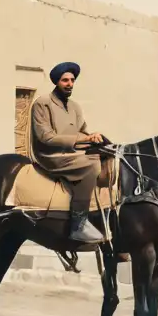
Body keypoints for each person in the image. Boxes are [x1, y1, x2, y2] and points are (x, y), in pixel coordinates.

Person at [28, 61, 105, 244]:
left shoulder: (75, 107)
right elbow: (45, 137)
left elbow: (82, 130)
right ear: (57, 82)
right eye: (65, 80)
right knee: (91, 165)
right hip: (50, 155)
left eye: (72, 80)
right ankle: (78, 224)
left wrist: (92, 136)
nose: (69, 84)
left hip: (72, 151)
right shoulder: (42, 103)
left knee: (107, 157)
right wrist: (82, 139)